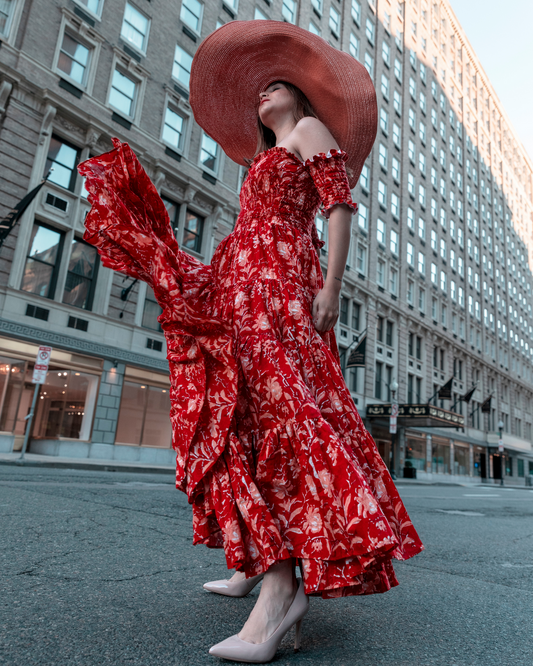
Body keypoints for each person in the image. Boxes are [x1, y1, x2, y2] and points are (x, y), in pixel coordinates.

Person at [79, 20, 424, 664]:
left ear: (299, 95)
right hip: (245, 276)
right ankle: (255, 556)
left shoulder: (308, 133)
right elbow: (253, 225)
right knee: (240, 409)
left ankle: (280, 587)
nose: (264, 93)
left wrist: (332, 287)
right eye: (258, 91)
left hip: (283, 283)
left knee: (279, 410)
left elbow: (338, 207)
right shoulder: (265, 155)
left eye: (274, 85)